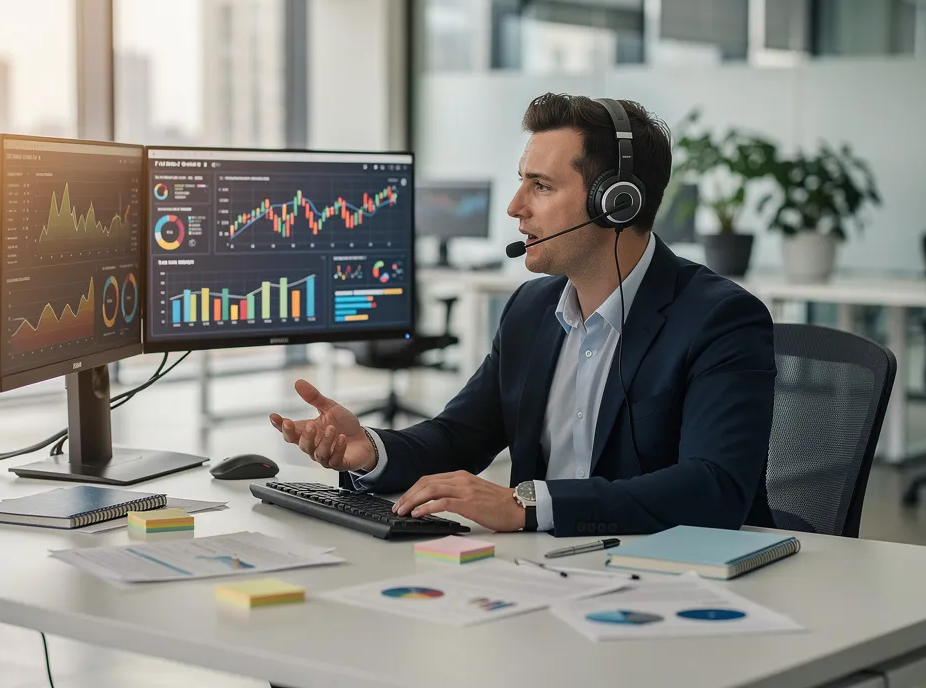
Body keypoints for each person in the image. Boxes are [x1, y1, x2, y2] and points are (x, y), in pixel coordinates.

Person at [269, 93, 776, 536]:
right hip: (543, 576)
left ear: (616, 203)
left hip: (676, 583)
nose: (515, 207)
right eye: (521, 183)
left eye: (541, 186)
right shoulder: (531, 310)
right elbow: (459, 436)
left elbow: (715, 486)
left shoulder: (721, 319)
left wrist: (527, 505)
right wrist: (372, 453)